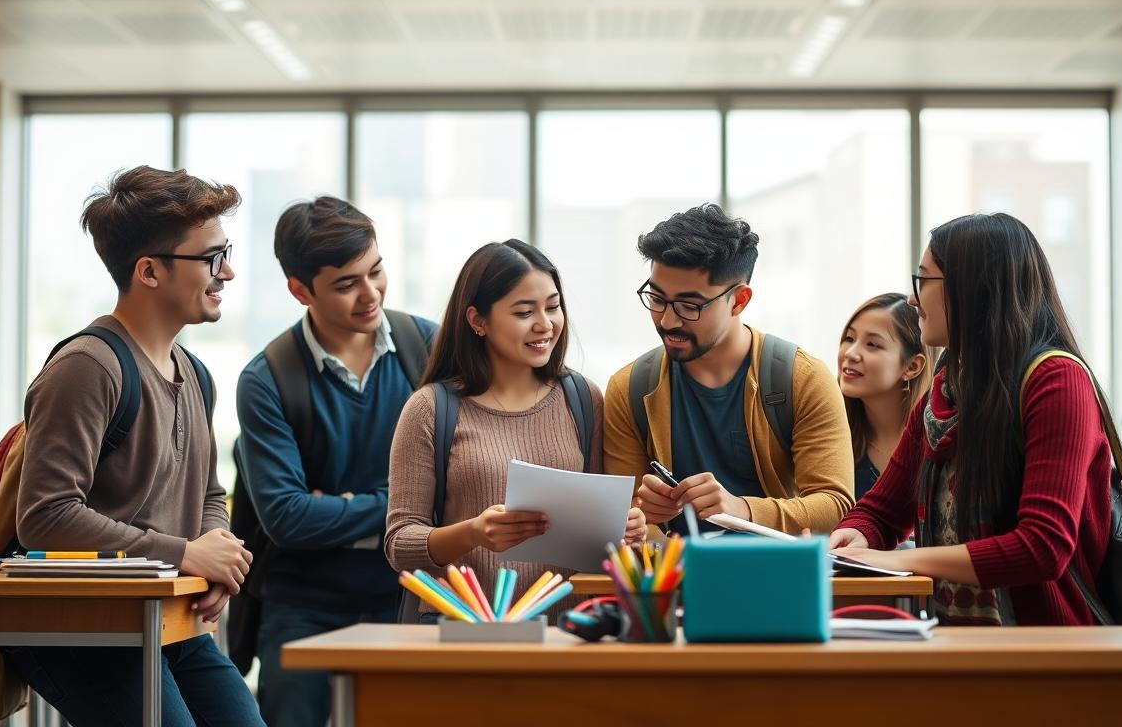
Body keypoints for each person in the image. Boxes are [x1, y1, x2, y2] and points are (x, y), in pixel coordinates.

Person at [10, 165, 261, 725]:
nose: (229, 272)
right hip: (82, 627)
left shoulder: (195, 374)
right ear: (148, 270)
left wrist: (214, 551)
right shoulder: (87, 368)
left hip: (165, 618)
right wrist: (184, 554)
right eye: (212, 258)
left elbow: (209, 492)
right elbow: (45, 517)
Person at [829, 212, 1112, 625]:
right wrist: (854, 536)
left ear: (973, 288)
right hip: (960, 640)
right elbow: (882, 511)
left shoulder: (1056, 380)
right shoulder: (946, 387)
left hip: (1049, 645)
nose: (913, 299)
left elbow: (1042, 547)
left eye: (924, 281)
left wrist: (895, 559)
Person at [235, 196, 436, 726]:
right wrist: (404, 508)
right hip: (304, 604)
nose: (370, 294)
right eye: (346, 284)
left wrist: (342, 507)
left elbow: (460, 483)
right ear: (300, 290)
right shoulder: (266, 380)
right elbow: (287, 518)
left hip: (411, 595)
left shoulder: (429, 348)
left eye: (375, 271)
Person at [385, 239, 645, 618]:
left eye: (553, 306)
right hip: (469, 634)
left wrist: (627, 529)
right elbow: (399, 545)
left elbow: (600, 536)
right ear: (477, 320)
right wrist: (473, 532)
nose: (545, 324)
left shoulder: (582, 398)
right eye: (524, 311)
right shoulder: (430, 409)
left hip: (569, 635)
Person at [605, 203, 854, 535]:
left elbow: (835, 505)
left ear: (739, 300)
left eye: (689, 306)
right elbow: (625, 519)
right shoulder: (630, 388)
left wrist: (742, 509)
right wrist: (643, 516)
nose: (667, 320)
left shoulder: (801, 378)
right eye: (657, 298)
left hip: (780, 579)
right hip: (677, 582)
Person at [837, 293, 932, 500]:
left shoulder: (937, 442)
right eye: (849, 338)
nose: (850, 353)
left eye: (872, 344)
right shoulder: (832, 438)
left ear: (912, 367)